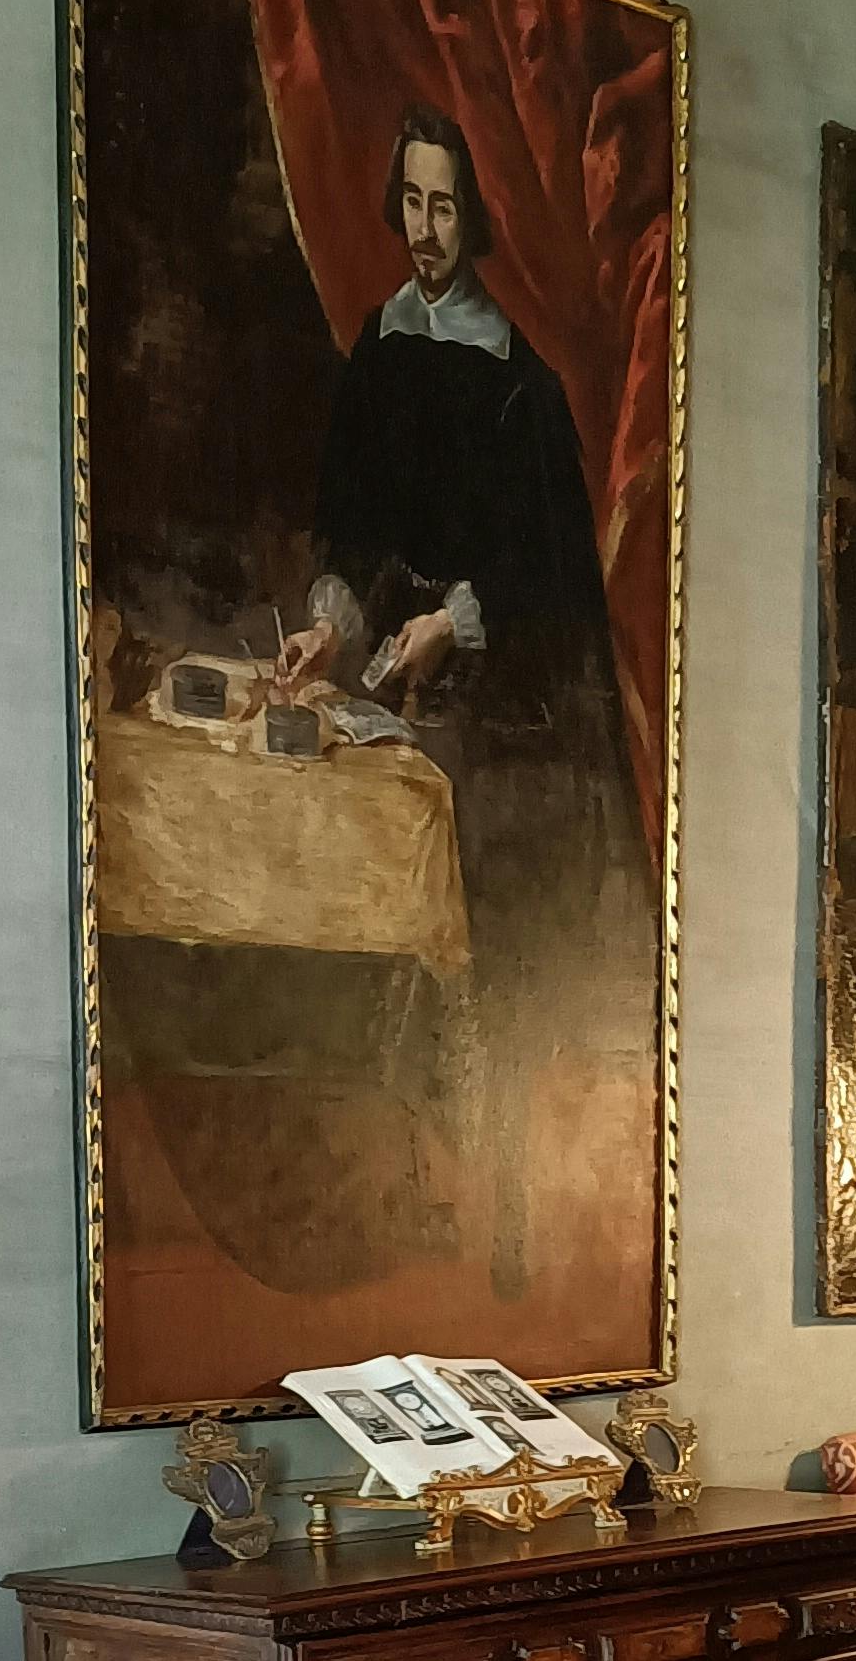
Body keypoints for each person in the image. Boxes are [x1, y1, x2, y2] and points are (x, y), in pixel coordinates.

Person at [274, 103, 649, 1297]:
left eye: (444, 205)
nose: (425, 229)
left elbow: (551, 570)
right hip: (400, 679)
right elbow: (353, 526)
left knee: (487, 892)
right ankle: (386, 1182)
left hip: (511, 705)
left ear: (474, 215)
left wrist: (458, 624)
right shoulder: (381, 350)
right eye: (413, 202)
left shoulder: (519, 379)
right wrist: (331, 623)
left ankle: (508, 1194)